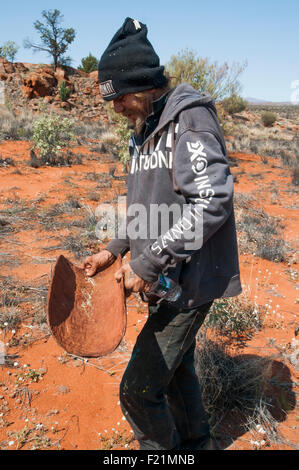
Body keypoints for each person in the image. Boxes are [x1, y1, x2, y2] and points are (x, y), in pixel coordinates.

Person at [81, 17, 242, 451]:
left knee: (138, 390)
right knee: (178, 371)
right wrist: (113, 252)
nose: (115, 109)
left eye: (120, 98)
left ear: (144, 85)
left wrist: (148, 263)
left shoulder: (187, 122)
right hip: (168, 281)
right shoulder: (144, 130)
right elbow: (144, 209)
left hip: (191, 279)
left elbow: (212, 204)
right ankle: (197, 444)